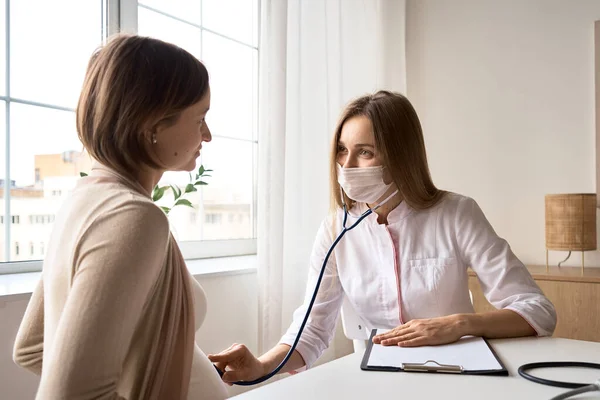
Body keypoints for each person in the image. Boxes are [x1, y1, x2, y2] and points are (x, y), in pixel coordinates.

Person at [208, 90, 557, 383]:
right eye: (342, 151)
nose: (347, 165)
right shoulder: (335, 228)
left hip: (455, 378)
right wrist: (261, 366)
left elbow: (537, 310)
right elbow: (312, 330)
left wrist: (458, 324)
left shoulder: (456, 213)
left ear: (400, 156)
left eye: (365, 152)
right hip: (372, 381)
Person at [13, 34, 228, 399]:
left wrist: (160, 367)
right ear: (153, 125)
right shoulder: (134, 217)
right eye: (200, 118)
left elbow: (32, 348)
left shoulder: (86, 199)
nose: (207, 135)